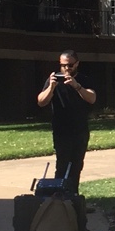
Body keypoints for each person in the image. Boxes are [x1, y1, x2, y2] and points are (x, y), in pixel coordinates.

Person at [36, 49, 96, 193]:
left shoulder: (83, 80)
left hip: (80, 130)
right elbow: (41, 102)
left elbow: (92, 98)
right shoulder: (54, 80)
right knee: (62, 165)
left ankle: (73, 197)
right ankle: (59, 198)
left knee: (76, 166)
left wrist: (77, 86)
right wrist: (51, 87)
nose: (66, 68)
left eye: (70, 65)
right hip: (61, 130)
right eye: (63, 65)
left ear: (77, 64)